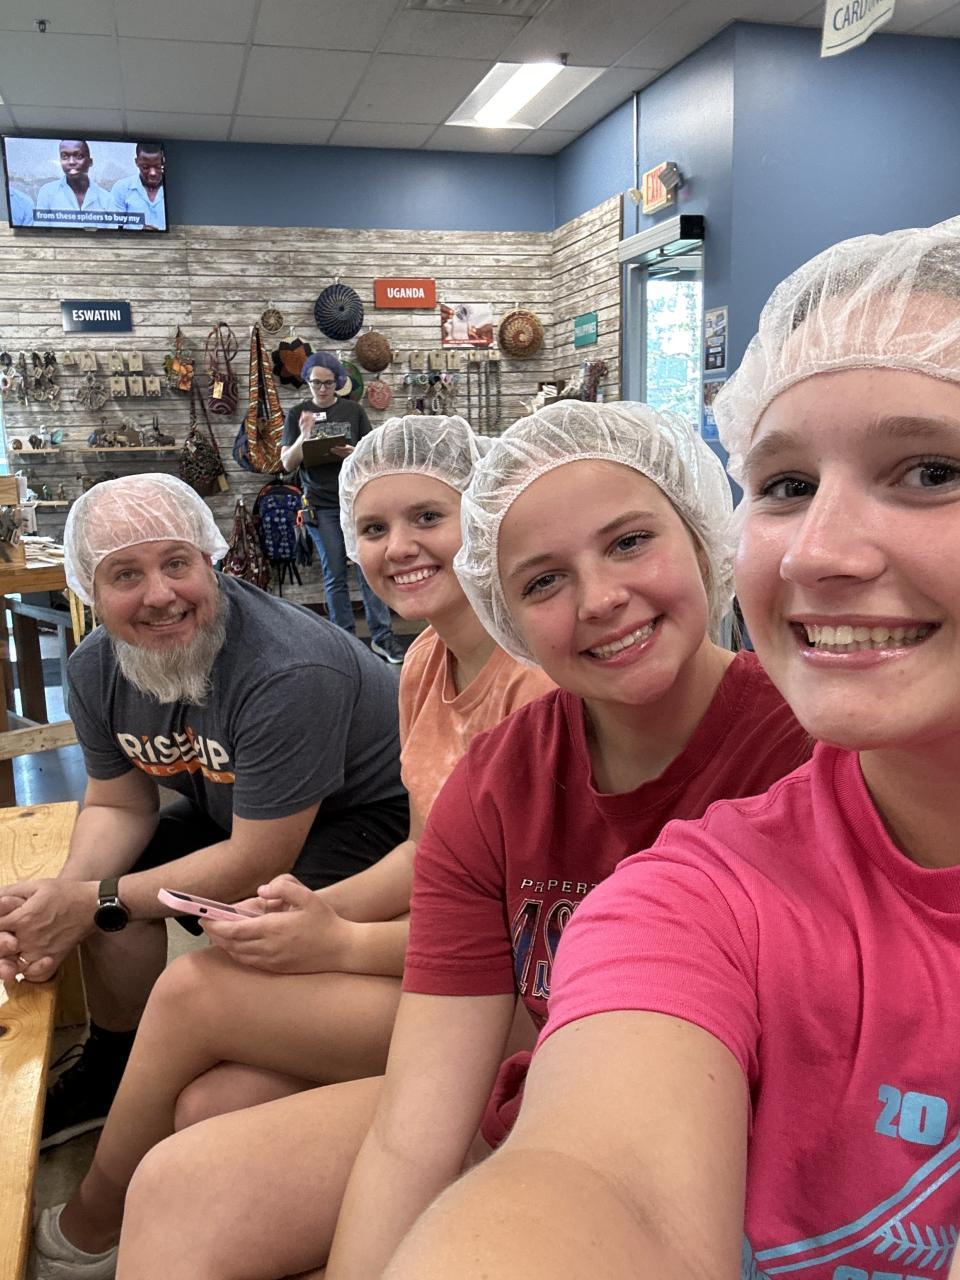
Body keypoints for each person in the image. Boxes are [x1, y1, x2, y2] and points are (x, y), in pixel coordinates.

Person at [378, 219, 960, 1280]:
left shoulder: (789, 735)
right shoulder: (699, 887)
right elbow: (601, 1187)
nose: (822, 552)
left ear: (700, 539)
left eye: (930, 470)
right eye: (786, 485)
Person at [112, 401, 810, 1280]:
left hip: (751, 1158)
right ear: (504, 608)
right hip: (537, 1097)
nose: (601, 599)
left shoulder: (812, 748)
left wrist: (334, 938)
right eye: (543, 581)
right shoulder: (497, 779)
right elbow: (416, 1130)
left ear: (705, 538)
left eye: (630, 542)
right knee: (181, 1186)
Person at [26, 416, 553, 1280]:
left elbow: (528, 934)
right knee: (206, 1105)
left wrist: (337, 941)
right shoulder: (427, 663)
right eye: (373, 527)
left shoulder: (536, 687)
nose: (399, 547)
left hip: (514, 1006)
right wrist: (311, 911)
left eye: (429, 517)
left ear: (487, 517)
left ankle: (90, 1224)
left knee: (196, 990)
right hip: (446, 960)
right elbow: (429, 856)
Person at [0, 473, 407, 1156]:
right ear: (86, 591)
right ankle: (115, 1064)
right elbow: (119, 804)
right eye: (125, 574)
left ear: (210, 560)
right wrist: (64, 902)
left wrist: (92, 902)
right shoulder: (96, 667)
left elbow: (257, 860)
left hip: (366, 818)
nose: (160, 595)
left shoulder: (287, 669)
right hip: (242, 813)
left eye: (176, 563)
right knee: (106, 891)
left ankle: (238, 1059)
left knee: (250, 937)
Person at [280, 352, 405, 663]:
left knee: (369, 569)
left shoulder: (353, 411)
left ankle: (383, 638)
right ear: (307, 382)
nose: (322, 389)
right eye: (316, 383)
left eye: (328, 383)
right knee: (334, 573)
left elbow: (374, 456)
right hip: (320, 505)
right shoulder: (297, 413)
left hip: (357, 503)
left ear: (338, 382)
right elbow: (286, 464)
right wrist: (304, 436)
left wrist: (353, 452)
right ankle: (346, 643)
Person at [35, 140, 112, 220]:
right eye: (65, 156)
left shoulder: (106, 199)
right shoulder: (47, 193)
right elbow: (41, 227)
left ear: (90, 162)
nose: (71, 162)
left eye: (79, 156)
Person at [109, 142, 165, 231]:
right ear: (137, 162)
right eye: (146, 167)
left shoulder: (173, 189)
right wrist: (138, 234)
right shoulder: (121, 188)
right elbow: (113, 227)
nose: (152, 173)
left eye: (158, 167)